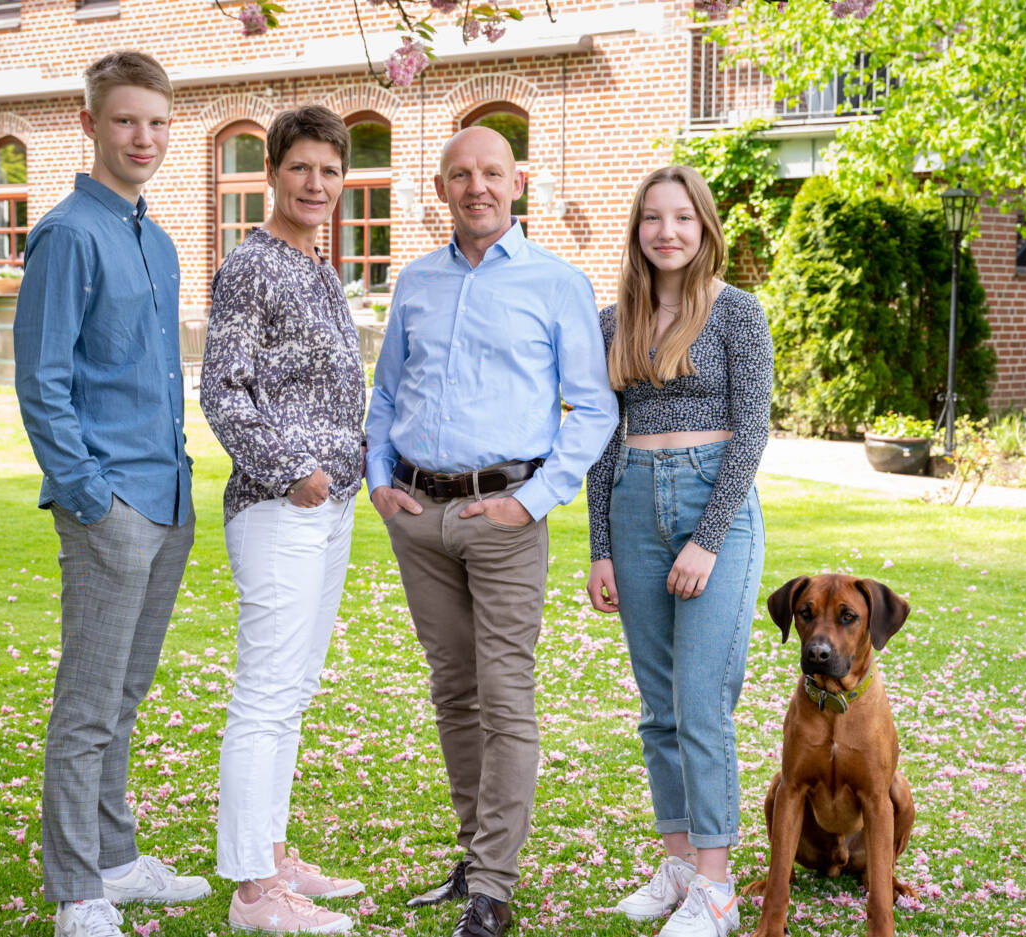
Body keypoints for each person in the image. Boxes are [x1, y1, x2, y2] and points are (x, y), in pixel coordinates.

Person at [364, 125, 618, 937]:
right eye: (460, 175)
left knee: (506, 696)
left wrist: (533, 501)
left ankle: (493, 887)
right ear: (440, 188)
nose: (477, 186)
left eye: (492, 174)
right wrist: (378, 480)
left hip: (506, 516)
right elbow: (385, 393)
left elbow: (596, 407)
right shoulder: (415, 281)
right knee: (453, 691)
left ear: (518, 184)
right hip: (418, 514)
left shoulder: (556, 282)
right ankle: (476, 855)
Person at [14, 51, 209, 937]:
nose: (145, 138)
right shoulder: (67, 233)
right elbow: (43, 383)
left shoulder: (157, 239)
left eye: (159, 122)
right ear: (89, 121)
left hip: (168, 500)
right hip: (111, 506)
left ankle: (117, 858)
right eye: (128, 120)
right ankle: (76, 890)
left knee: (126, 696)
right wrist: (89, 495)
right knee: (88, 704)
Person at [584, 165, 772, 937]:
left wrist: (706, 537)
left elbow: (752, 433)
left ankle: (718, 890)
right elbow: (600, 438)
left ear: (705, 229)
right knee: (659, 709)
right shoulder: (612, 323)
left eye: (684, 219)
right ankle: (678, 867)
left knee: (701, 703)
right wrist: (600, 547)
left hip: (711, 504)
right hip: (631, 502)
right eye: (653, 219)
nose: (668, 232)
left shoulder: (737, 314)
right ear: (637, 230)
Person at [201, 105, 367, 936]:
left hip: (328, 507)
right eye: (301, 168)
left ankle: (271, 848)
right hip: (278, 506)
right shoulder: (253, 265)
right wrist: (292, 470)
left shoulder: (318, 265)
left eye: (331, 171)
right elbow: (222, 389)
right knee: (265, 694)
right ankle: (253, 890)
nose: (317, 184)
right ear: (273, 172)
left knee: (293, 689)